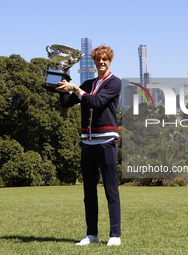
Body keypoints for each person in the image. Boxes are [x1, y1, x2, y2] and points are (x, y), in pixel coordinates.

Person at [56, 45, 121, 246]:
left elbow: (97, 101)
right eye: (98, 59)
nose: (101, 62)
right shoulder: (88, 82)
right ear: (94, 62)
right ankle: (91, 234)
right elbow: (66, 103)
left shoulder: (115, 83)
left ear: (110, 61)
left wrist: (75, 88)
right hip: (87, 142)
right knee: (89, 191)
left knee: (110, 189)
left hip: (107, 141)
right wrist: (63, 80)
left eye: (105, 59)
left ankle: (115, 235)